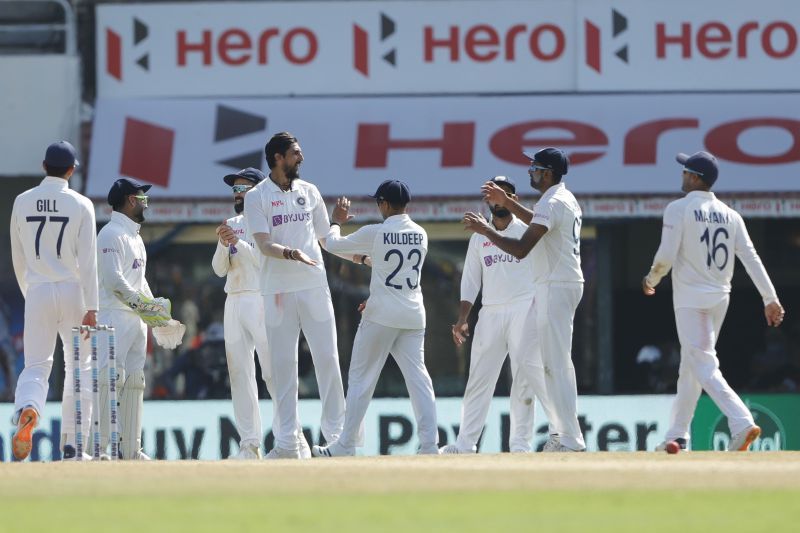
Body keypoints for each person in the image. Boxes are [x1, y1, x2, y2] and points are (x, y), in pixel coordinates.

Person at [642, 151, 785, 452]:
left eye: (685, 172)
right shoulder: (731, 214)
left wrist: (651, 279)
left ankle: (741, 421)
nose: (682, 176)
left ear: (695, 178)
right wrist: (769, 298)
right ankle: (677, 435)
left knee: (703, 363)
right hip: (720, 298)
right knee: (691, 365)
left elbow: (665, 257)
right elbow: (751, 257)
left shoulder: (678, 209)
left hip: (691, 299)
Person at [245, 132, 359, 459]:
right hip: (277, 291)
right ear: (278, 157)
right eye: (296, 153)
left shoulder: (309, 192)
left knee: (328, 359)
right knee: (284, 367)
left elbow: (327, 241)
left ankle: (339, 440)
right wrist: (292, 254)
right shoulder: (257, 197)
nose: (301, 158)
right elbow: (265, 245)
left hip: (313, 286)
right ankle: (287, 445)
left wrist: (358, 255)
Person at [464, 147, 586, 452]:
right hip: (561, 283)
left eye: (534, 168)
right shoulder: (560, 199)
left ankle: (569, 438)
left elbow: (521, 249)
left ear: (547, 173)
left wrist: (485, 230)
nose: (530, 172)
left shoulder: (553, 200)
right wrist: (507, 204)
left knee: (554, 366)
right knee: (554, 366)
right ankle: (567, 436)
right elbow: (538, 221)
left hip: (555, 285)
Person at [312, 180, 439, 456]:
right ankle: (430, 444)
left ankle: (346, 445)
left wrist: (336, 221)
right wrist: (363, 260)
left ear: (384, 203)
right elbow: (388, 264)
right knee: (419, 379)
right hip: (414, 314)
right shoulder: (421, 233)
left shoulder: (376, 232)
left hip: (381, 314)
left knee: (360, 378)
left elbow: (331, 245)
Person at [441, 176, 549, 454]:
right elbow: (471, 280)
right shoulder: (479, 236)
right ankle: (465, 445)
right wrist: (463, 317)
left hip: (524, 308)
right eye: (494, 195)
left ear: (513, 198)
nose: (500, 199)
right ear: (488, 200)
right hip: (490, 312)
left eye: (507, 194)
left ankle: (521, 445)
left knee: (524, 377)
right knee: (479, 379)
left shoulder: (527, 227)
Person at [212, 167, 310, 459]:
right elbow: (219, 269)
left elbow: (261, 261)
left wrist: (237, 243)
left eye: (243, 189)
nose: (238, 194)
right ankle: (249, 444)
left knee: (272, 372)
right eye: (235, 190)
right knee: (240, 373)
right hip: (234, 299)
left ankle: (292, 440)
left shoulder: (267, 221)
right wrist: (222, 243)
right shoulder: (230, 223)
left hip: (262, 297)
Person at [9, 141, 98, 461]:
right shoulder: (81, 204)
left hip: (38, 290)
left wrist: (31, 293)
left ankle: (28, 407)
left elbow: (18, 258)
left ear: (44, 166)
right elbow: (89, 262)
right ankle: (74, 447)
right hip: (75, 291)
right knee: (80, 368)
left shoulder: (22, 201)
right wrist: (93, 306)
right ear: (71, 170)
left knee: (35, 366)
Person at [96, 178, 184, 460]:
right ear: (131, 200)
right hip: (113, 315)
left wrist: (161, 318)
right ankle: (100, 448)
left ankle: (131, 449)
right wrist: (144, 308)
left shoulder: (135, 237)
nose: (146, 202)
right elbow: (114, 281)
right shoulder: (110, 234)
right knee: (110, 379)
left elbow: (139, 281)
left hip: (134, 319)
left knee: (135, 380)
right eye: (142, 198)